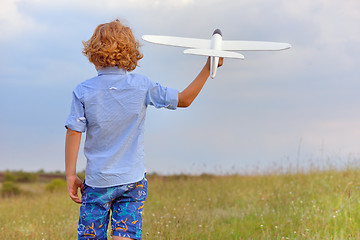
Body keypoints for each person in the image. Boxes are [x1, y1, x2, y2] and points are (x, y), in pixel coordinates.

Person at [65, 19, 223, 240]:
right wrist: (209, 66)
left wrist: (71, 174)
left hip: (97, 182)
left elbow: (74, 131)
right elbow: (184, 99)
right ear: (130, 52)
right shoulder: (142, 85)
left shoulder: (82, 91)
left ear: (93, 52)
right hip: (132, 181)